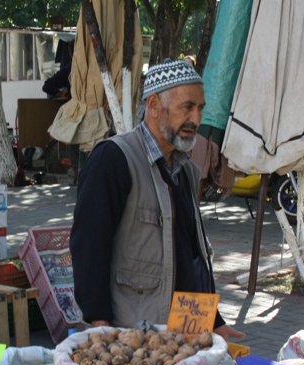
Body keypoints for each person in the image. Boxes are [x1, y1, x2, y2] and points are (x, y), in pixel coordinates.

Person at [69, 59, 244, 342]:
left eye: (200, 108)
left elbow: (191, 258)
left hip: (177, 337)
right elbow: (90, 249)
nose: (196, 119)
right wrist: (100, 330)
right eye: (186, 107)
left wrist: (214, 321)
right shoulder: (113, 159)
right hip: (128, 337)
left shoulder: (185, 170)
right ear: (153, 106)